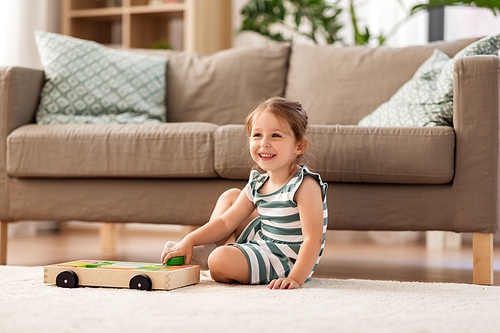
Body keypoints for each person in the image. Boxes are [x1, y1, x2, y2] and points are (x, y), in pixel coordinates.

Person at [161, 97, 328, 289]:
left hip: (285, 260)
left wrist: (296, 278)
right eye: (257, 135)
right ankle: (206, 249)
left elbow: (312, 240)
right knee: (230, 196)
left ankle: (212, 257)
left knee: (219, 260)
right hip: (263, 240)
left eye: (275, 135)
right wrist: (189, 239)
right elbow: (225, 222)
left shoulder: (305, 185)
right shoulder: (258, 182)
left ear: (299, 146)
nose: (264, 143)